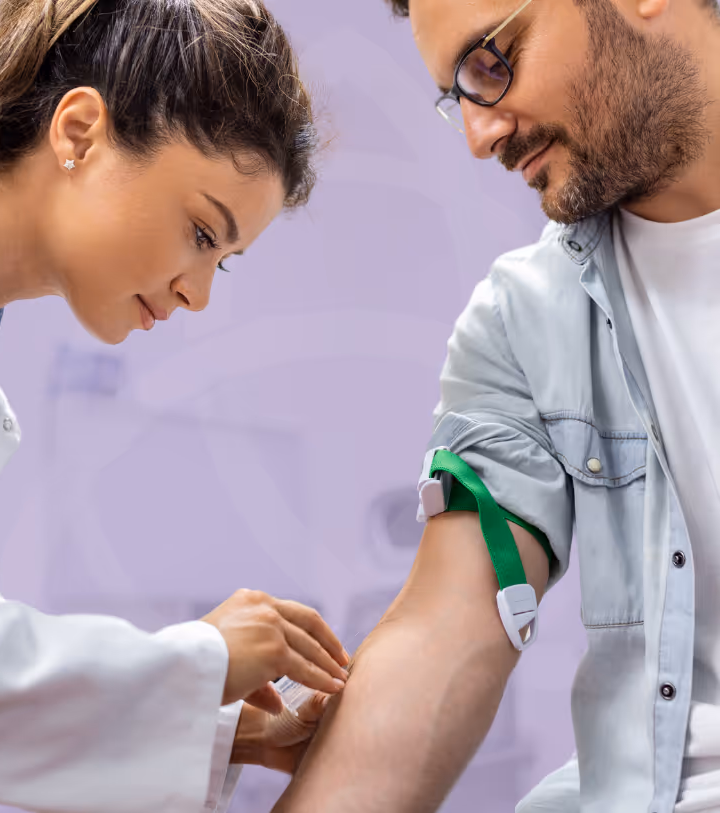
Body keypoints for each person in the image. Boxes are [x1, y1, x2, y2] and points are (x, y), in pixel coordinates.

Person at [269, 0, 720, 811]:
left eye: (492, 62)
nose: (480, 137)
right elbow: (444, 631)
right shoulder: (522, 319)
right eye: (459, 95)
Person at [0, 1, 352, 811]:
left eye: (226, 260)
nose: (199, 292)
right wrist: (198, 658)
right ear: (79, 132)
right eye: (199, 232)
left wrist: (227, 732)